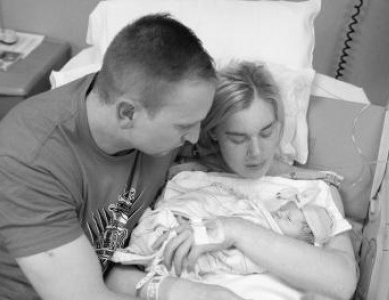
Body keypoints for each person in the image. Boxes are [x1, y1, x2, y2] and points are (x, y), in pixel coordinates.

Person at [0, 13, 250, 300]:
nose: (195, 137)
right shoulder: (28, 160)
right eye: (184, 126)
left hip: (113, 273)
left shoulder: (165, 109)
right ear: (127, 113)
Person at [107, 61, 358, 300]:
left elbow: (343, 282)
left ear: (280, 124)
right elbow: (116, 278)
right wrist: (192, 293)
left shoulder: (313, 191)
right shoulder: (184, 179)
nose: (256, 152)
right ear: (214, 132)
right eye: (239, 138)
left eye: (266, 131)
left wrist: (233, 230)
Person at [111, 179, 338, 279]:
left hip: (211, 246)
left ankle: (145, 254)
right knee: (173, 214)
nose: (280, 213)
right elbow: (236, 207)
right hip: (201, 219)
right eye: (284, 210)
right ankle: (153, 238)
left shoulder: (268, 248)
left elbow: (237, 260)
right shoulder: (262, 212)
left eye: (287, 220)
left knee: (179, 249)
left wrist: (201, 231)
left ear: (298, 242)